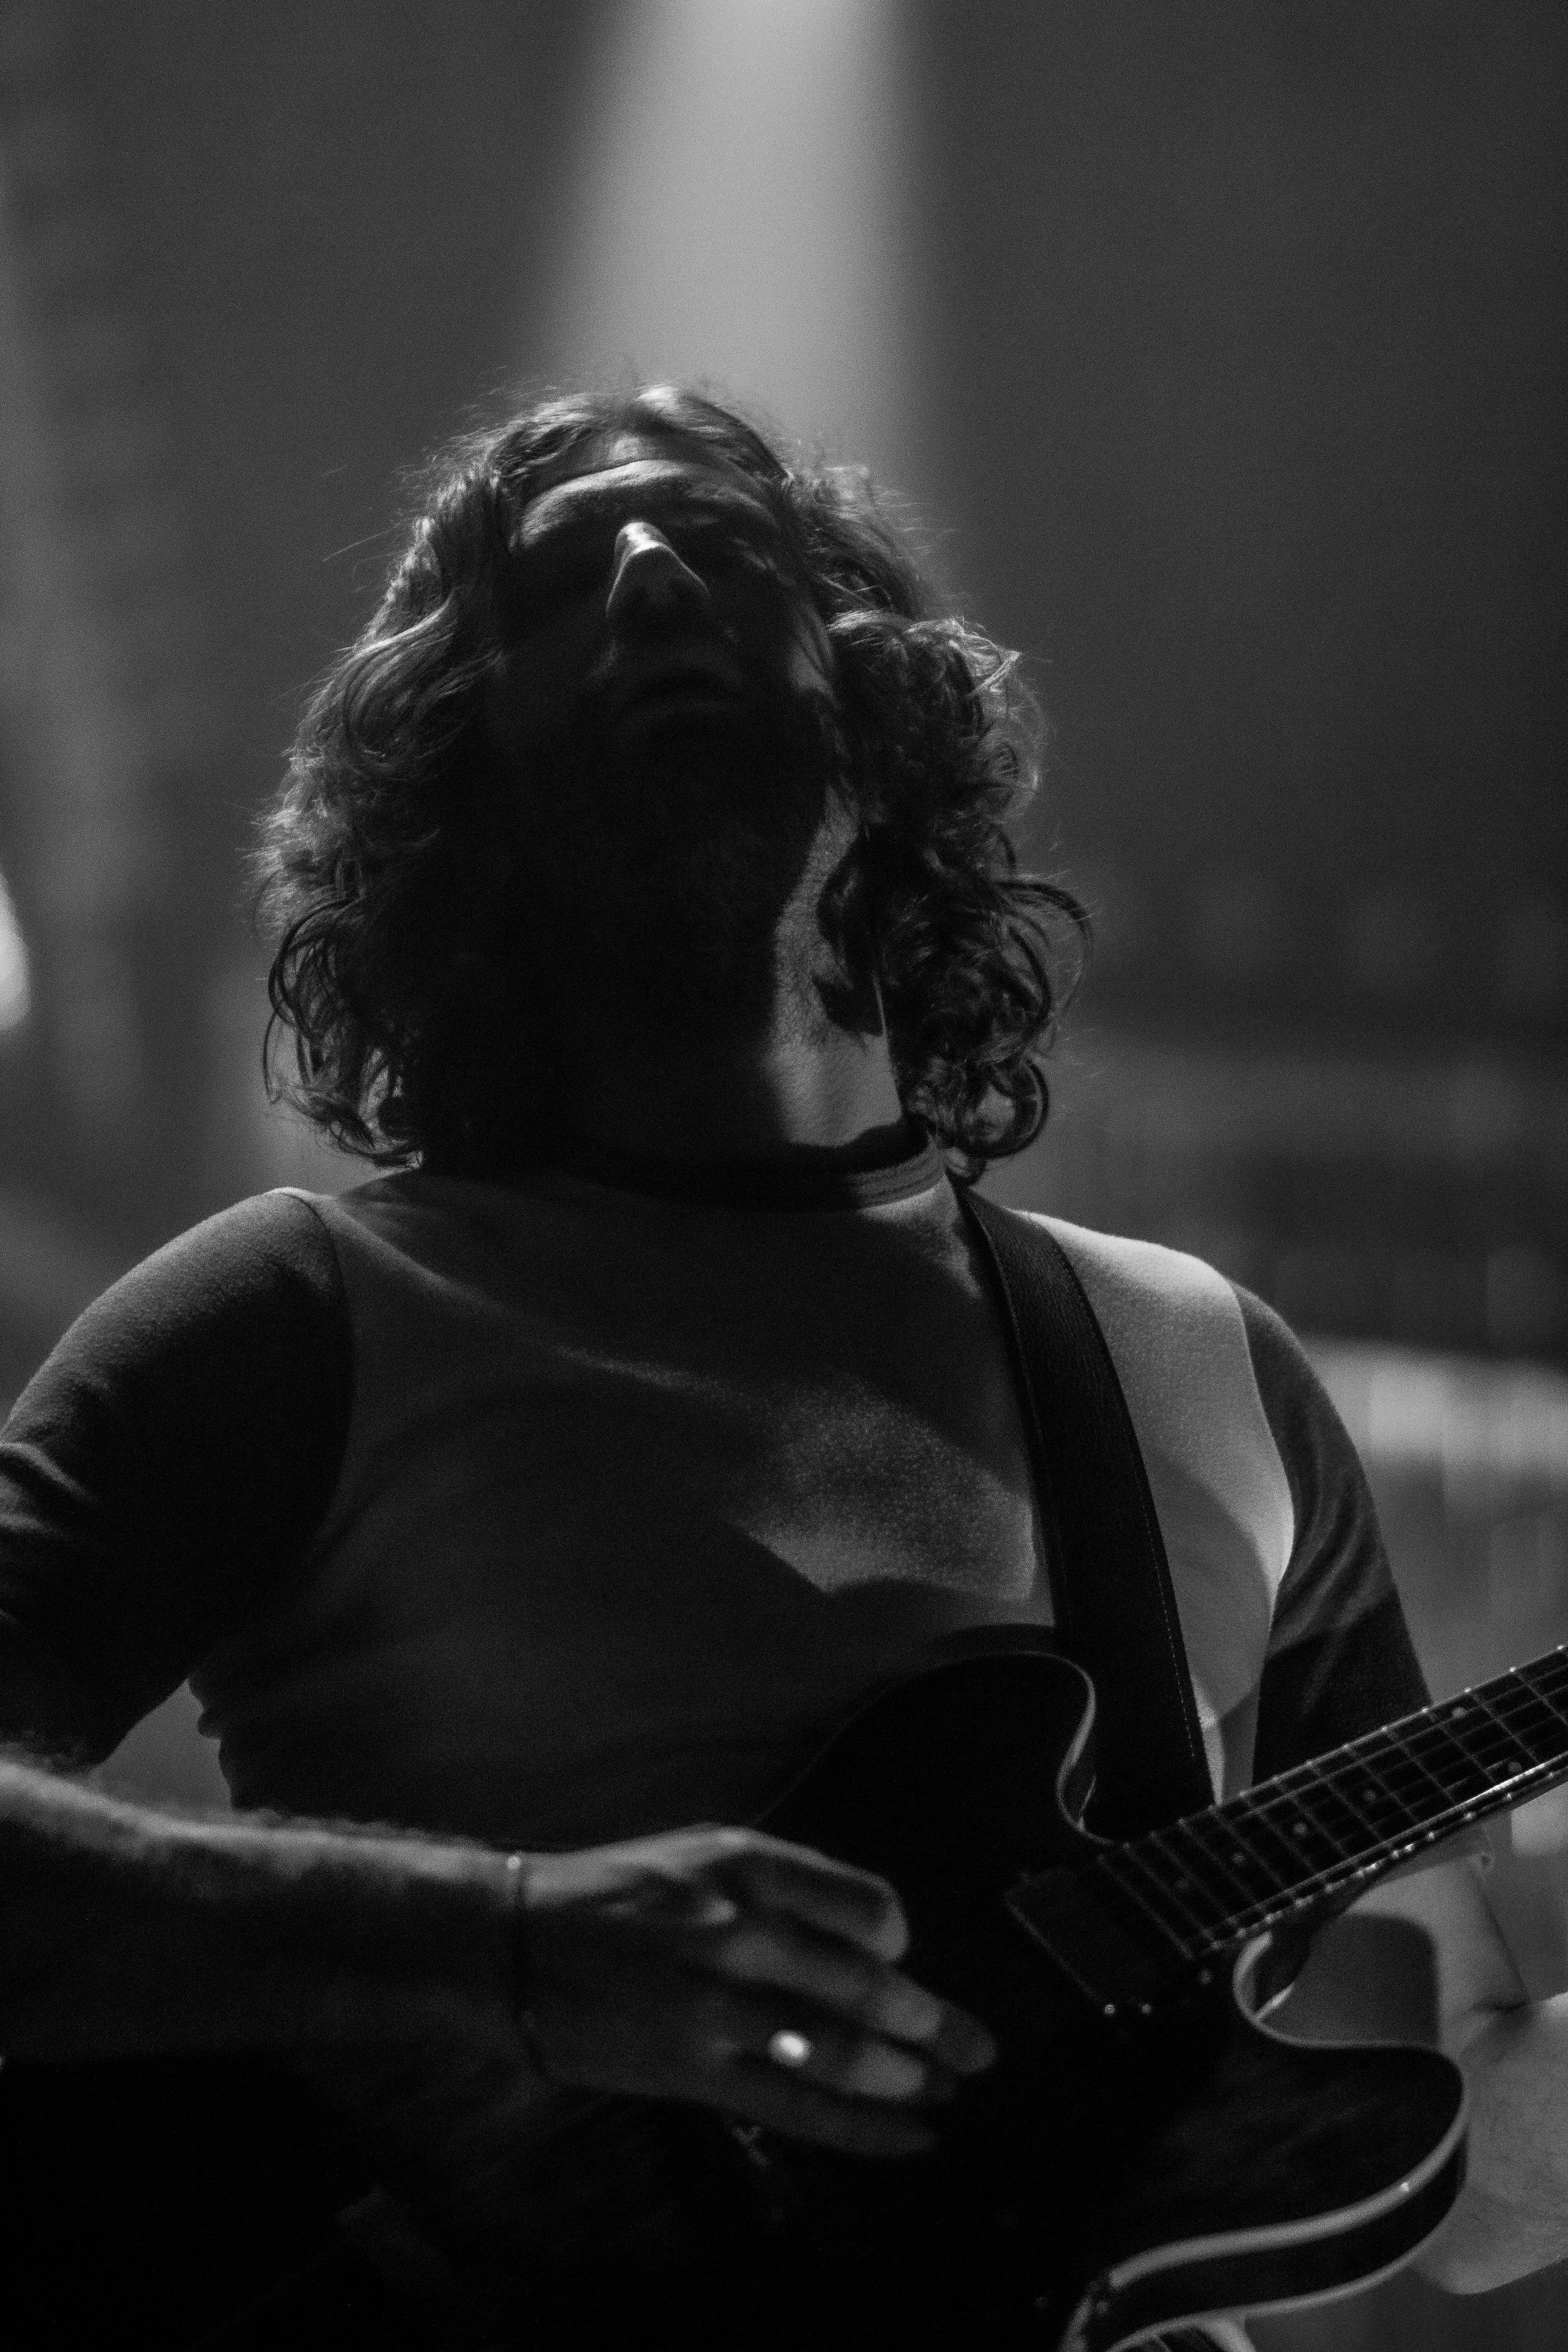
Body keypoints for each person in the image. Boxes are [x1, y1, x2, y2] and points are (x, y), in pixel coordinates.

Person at [0, 383, 1559, 2344]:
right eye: (565, 577)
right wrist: (498, 1946)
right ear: (444, 771)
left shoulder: (1196, 1362)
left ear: (875, 690)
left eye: (725, 548)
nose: (652, 570)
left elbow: (1480, 2172)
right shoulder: (291, 1313)